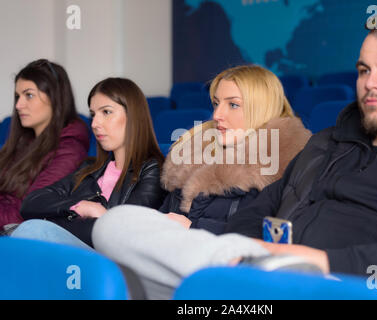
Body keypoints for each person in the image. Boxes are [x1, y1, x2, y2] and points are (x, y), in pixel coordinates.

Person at [93, 12, 377, 299]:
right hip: (263, 273)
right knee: (117, 223)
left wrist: (321, 262)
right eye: (364, 70)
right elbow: (260, 208)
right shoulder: (327, 143)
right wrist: (248, 250)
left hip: (351, 285)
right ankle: (236, 281)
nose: (372, 82)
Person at [11, 77, 166, 248]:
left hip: (106, 259)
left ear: (133, 116)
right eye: (93, 115)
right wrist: (81, 207)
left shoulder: (153, 169)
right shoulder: (90, 168)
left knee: (32, 231)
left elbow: (123, 231)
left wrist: (59, 219)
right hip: (70, 252)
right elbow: (32, 202)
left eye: (106, 112)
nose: (95, 123)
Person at [159, 65, 311, 234]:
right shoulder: (189, 159)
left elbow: (275, 237)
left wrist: (193, 228)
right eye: (216, 103)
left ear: (262, 109)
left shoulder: (288, 169)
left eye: (233, 105)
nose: (217, 115)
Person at [0, 59, 89, 231]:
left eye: (29, 95)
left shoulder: (70, 149)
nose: (18, 105)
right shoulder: (22, 140)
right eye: (17, 96)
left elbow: (29, 210)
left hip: (17, 233)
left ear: (55, 97)